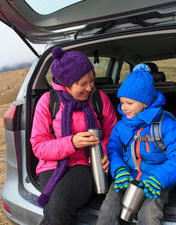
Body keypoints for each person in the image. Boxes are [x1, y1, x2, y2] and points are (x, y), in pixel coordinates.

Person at [30, 46, 117, 225]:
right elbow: (38, 145)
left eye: (92, 80)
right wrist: (71, 143)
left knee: (56, 208)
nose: (90, 87)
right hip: (51, 165)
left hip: (86, 165)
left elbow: (114, 134)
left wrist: (104, 152)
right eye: (83, 84)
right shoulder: (47, 102)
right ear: (66, 84)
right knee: (54, 210)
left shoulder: (99, 99)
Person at [97, 64, 176, 225]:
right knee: (108, 209)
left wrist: (159, 178)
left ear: (145, 102)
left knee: (149, 214)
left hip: (155, 180)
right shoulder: (122, 126)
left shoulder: (166, 125)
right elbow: (113, 150)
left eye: (129, 103)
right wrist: (119, 170)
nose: (123, 108)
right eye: (121, 102)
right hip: (126, 175)